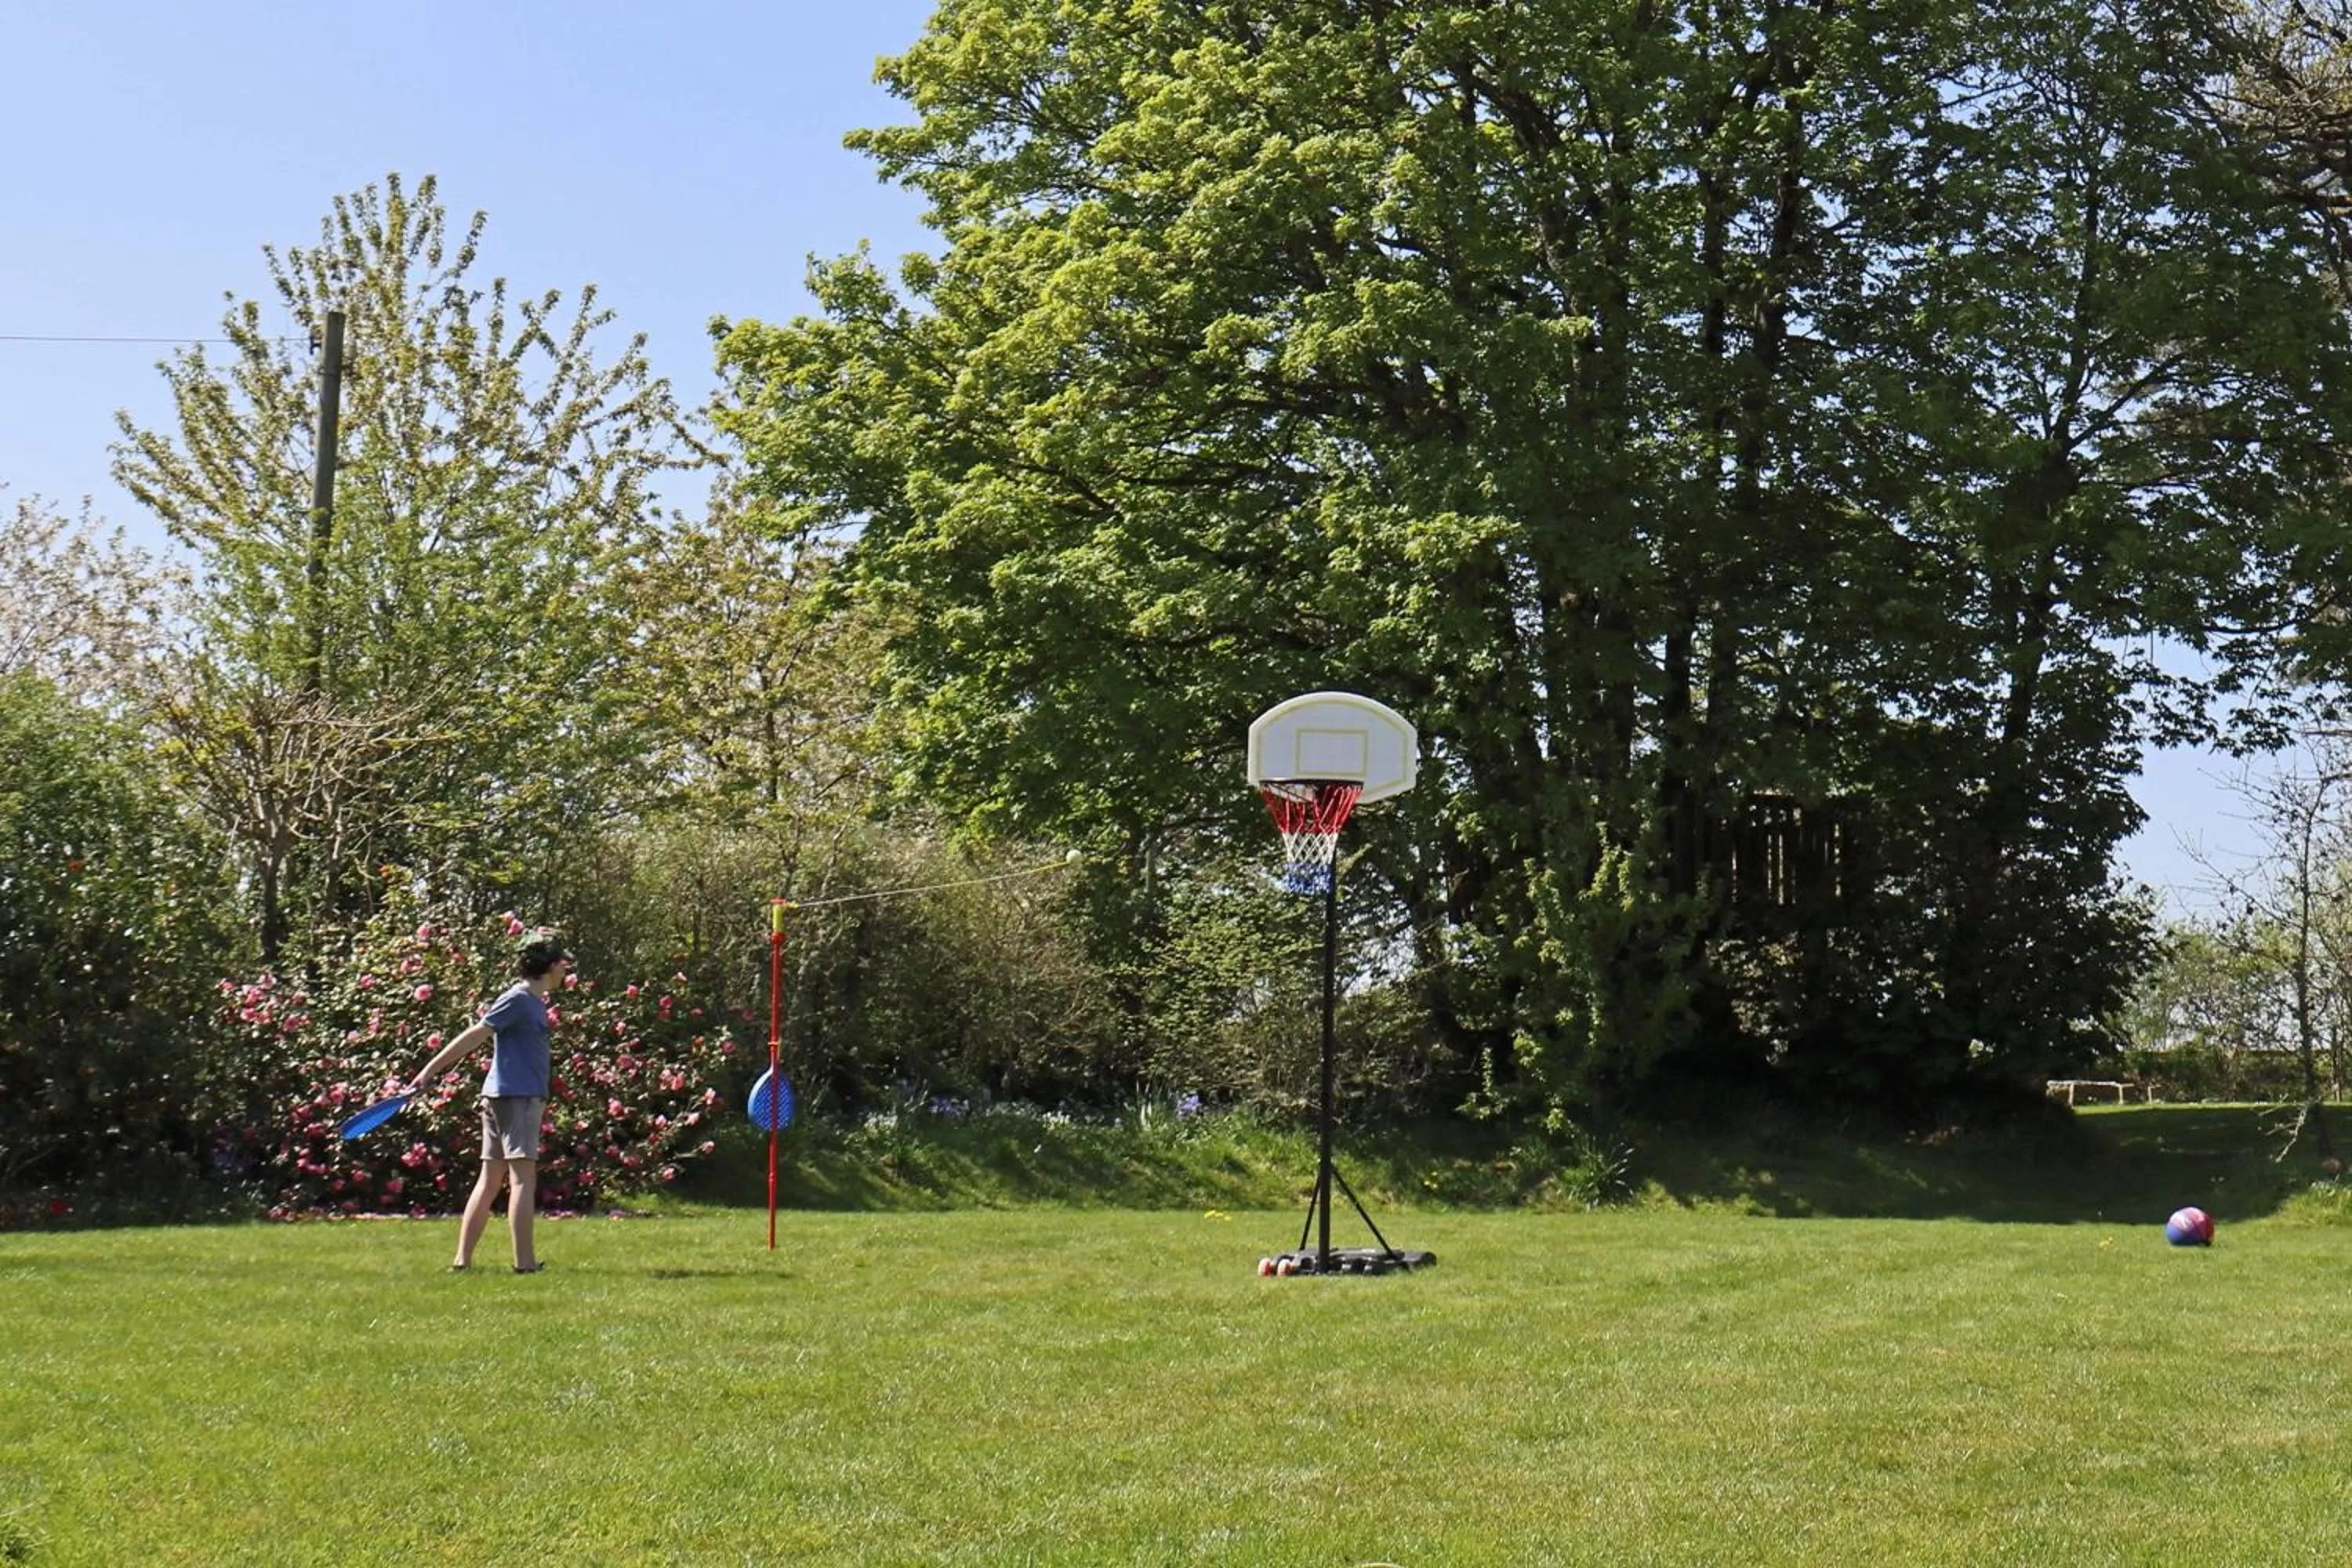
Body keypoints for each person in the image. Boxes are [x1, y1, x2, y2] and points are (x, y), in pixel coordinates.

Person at [401, 930, 574, 1273]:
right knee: (523, 1179)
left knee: (491, 1178)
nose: (566, 968)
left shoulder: (531, 1001)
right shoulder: (520, 999)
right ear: (551, 965)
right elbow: (477, 1033)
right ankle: (525, 1264)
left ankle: (462, 1262)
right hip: (518, 1098)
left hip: (502, 1096)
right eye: (563, 962)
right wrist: (429, 1071)